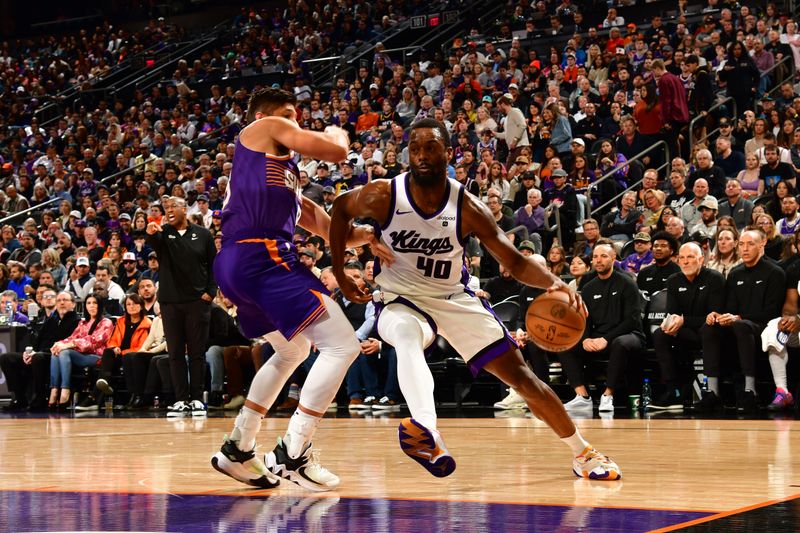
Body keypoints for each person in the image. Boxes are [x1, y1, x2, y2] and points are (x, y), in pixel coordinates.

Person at [329, 118, 621, 481]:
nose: (421, 155)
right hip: (398, 296)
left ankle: (583, 453)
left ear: (448, 152)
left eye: (430, 147)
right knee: (404, 335)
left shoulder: (466, 206)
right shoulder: (384, 194)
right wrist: (341, 272)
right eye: (414, 148)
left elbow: (512, 260)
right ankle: (428, 433)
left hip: (453, 297)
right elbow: (340, 208)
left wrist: (553, 284)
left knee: (523, 379)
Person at [209, 88, 391, 492]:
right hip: (262, 255)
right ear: (263, 117)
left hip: (239, 264)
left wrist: (371, 237)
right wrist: (336, 132)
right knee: (343, 346)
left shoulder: (283, 178)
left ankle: (239, 446)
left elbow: (330, 230)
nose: (293, 122)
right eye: (289, 115)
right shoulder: (260, 130)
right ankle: (294, 451)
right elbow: (336, 151)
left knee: (292, 350)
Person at [698, 230, 785, 413]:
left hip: (764, 326)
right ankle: (712, 391)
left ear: (762, 244)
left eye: (750, 244)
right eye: (742, 244)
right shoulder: (736, 274)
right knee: (709, 328)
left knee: (741, 325)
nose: (745, 249)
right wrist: (718, 316)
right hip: (740, 325)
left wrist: (738, 318)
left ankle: (750, 390)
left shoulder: (775, 272)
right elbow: (730, 307)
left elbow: (772, 313)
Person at [146, 196, 216, 417]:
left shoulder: (203, 234)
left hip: (197, 301)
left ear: (184, 209)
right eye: (165, 208)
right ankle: (181, 400)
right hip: (170, 302)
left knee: (197, 352)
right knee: (175, 352)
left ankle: (196, 398)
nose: (168, 210)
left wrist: (210, 292)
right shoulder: (163, 233)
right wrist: (151, 233)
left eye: (173, 207)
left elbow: (214, 264)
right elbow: (155, 243)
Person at [558, 243, 646, 413]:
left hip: (629, 334)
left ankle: (607, 395)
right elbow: (585, 320)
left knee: (621, 342)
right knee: (565, 344)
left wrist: (606, 339)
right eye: (596, 257)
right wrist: (586, 339)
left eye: (604, 256)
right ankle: (582, 396)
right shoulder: (589, 287)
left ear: (613, 258)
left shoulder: (627, 283)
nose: (599, 260)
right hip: (598, 337)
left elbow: (632, 320)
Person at [649, 242, 725, 411]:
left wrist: (684, 320)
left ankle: (713, 392)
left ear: (701, 259)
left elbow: (714, 316)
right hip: (688, 333)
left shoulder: (715, 279)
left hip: (714, 333)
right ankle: (672, 391)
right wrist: (671, 324)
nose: (685, 262)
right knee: (661, 334)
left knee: (709, 328)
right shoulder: (673, 281)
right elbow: (673, 314)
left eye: (690, 257)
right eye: (682, 258)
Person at [0, 291, 79, 412]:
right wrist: (30, 352)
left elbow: (66, 343)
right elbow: (38, 340)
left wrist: (37, 353)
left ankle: (39, 398)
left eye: (65, 300)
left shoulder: (76, 322)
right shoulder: (52, 320)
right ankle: (19, 399)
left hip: (55, 356)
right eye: (59, 300)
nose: (62, 303)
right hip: (39, 353)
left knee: (38, 358)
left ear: (73, 304)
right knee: (6, 358)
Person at [49, 294, 113, 409]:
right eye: (89, 303)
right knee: (57, 351)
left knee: (64, 352)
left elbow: (93, 342)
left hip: (96, 356)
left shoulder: (106, 322)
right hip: (81, 355)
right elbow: (72, 337)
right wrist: (59, 343)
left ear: (100, 305)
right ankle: (54, 389)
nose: (91, 306)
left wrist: (71, 344)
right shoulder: (83, 323)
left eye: (95, 303)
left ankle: (65, 390)